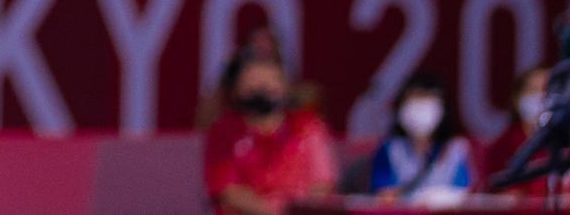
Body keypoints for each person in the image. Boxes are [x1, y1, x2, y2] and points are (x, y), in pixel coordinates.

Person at [202, 54, 337, 215]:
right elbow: (227, 191)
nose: (263, 88)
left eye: (270, 81)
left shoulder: (308, 127)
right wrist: (272, 212)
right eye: (253, 82)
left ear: (285, 86)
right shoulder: (223, 131)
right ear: (236, 89)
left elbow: (321, 185)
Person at [369, 71, 473, 201]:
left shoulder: (456, 150)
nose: (420, 109)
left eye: (428, 100)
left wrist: (439, 198)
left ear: (443, 109)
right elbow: (383, 194)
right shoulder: (390, 150)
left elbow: (464, 193)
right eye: (414, 100)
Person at [480, 64, 555, 197]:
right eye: (533, 90)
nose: (541, 97)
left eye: (547, 90)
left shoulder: (563, 143)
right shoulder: (503, 146)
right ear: (516, 98)